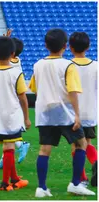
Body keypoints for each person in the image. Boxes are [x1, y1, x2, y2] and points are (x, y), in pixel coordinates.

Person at [29, 28, 95, 197]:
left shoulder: (37, 65)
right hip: (65, 111)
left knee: (44, 150)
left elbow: (35, 88)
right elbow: (72, 91)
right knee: (81, 144)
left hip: (45, 112)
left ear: (45, 45)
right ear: (65, 46)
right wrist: (77, 115)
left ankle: (41, 188)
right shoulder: (68, 65)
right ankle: (75, 183)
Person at [0, 35, 30, 191]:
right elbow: (23, 98)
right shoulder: (16, 73)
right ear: (12, 54)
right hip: (12, 115)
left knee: (7, 146)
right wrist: (27, 118)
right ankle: (5, 183)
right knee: (9, 148)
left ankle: (15, 179)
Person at [69, 31, 97, 187]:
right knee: (88, 142)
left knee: (76, 145)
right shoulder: (96, 66)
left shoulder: (68, 66)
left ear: (70, 48)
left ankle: (82, 178)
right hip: (91, 112)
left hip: (74, 114)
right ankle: (96, 162)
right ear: (89, 46)